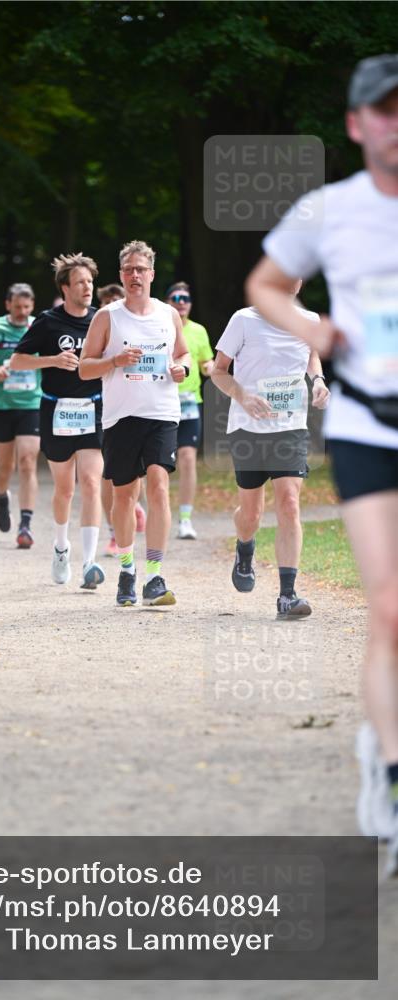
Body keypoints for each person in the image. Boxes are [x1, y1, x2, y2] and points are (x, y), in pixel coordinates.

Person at [245, 54, 398, 874]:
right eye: (384, 110)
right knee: (389, 608)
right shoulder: (326, 209)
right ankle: (390, 772)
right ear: (355, 123)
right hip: (370, 424)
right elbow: (267, 284)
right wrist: (314, 331)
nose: (396, 124)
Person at [80, 240, 190, 607]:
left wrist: (182, 368)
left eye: (141, 269)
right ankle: (127, 569)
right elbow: (84, 367)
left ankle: (155, 576)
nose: (134, 275)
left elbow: (183, 353)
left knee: (159, 485)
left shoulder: (167, 315)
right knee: (125, 494)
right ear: (121, 276)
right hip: (120, 416)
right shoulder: (107, 317)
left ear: (152, 274)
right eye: (128, 270)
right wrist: (114, 361)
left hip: (161, 413)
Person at [211, 284, 330, 617]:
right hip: (248, 428)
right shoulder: (244, 320)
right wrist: (243, 396)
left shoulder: (307, 319)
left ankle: (287, 596)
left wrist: (318, 379)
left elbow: (311, 355)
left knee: (290, 503)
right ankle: (245, 547)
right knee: (250, 515)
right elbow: (218, 371)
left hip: (290, 427)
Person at [10, 252, 105, 589]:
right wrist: (52, 360)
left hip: (93, 408)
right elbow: (18, 361)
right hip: (57, 410)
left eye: (90, 282)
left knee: (92, 483)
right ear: (65, 287)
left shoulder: (101, 319)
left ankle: (90, 563)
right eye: (80, 282)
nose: (87, 288)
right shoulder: (48, 321)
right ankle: (61, 547)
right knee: (65, 489)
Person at [0, 283, 41, 548]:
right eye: (17, 308)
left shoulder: (37, 326)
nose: (22, 313)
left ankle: (25, 524)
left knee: (28, 461)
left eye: (27, 308)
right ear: (8, 305)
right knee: (6, 466)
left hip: (31, 403)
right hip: (2, 405)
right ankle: (2, 495)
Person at [95, 283, 147, 555]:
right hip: (99, 408)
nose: (111, 305)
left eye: (116, 299)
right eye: (106, 301)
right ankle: (114, 533)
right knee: (107, 476)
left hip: (133, 407)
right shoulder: (97, 324)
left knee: (140, 472)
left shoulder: (136, 324)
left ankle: (132, 505)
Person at [165, 281, 215, 539]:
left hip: (190, 402)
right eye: (175, 297)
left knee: (186, 459)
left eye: (185, 297)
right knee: (156, 463)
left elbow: (206, 360)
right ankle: (150, 513)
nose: (181, 301)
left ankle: (185, 519)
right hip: (161, 403)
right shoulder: (160, 326)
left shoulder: (199, 331)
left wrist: (210, 367)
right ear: (168, 302)